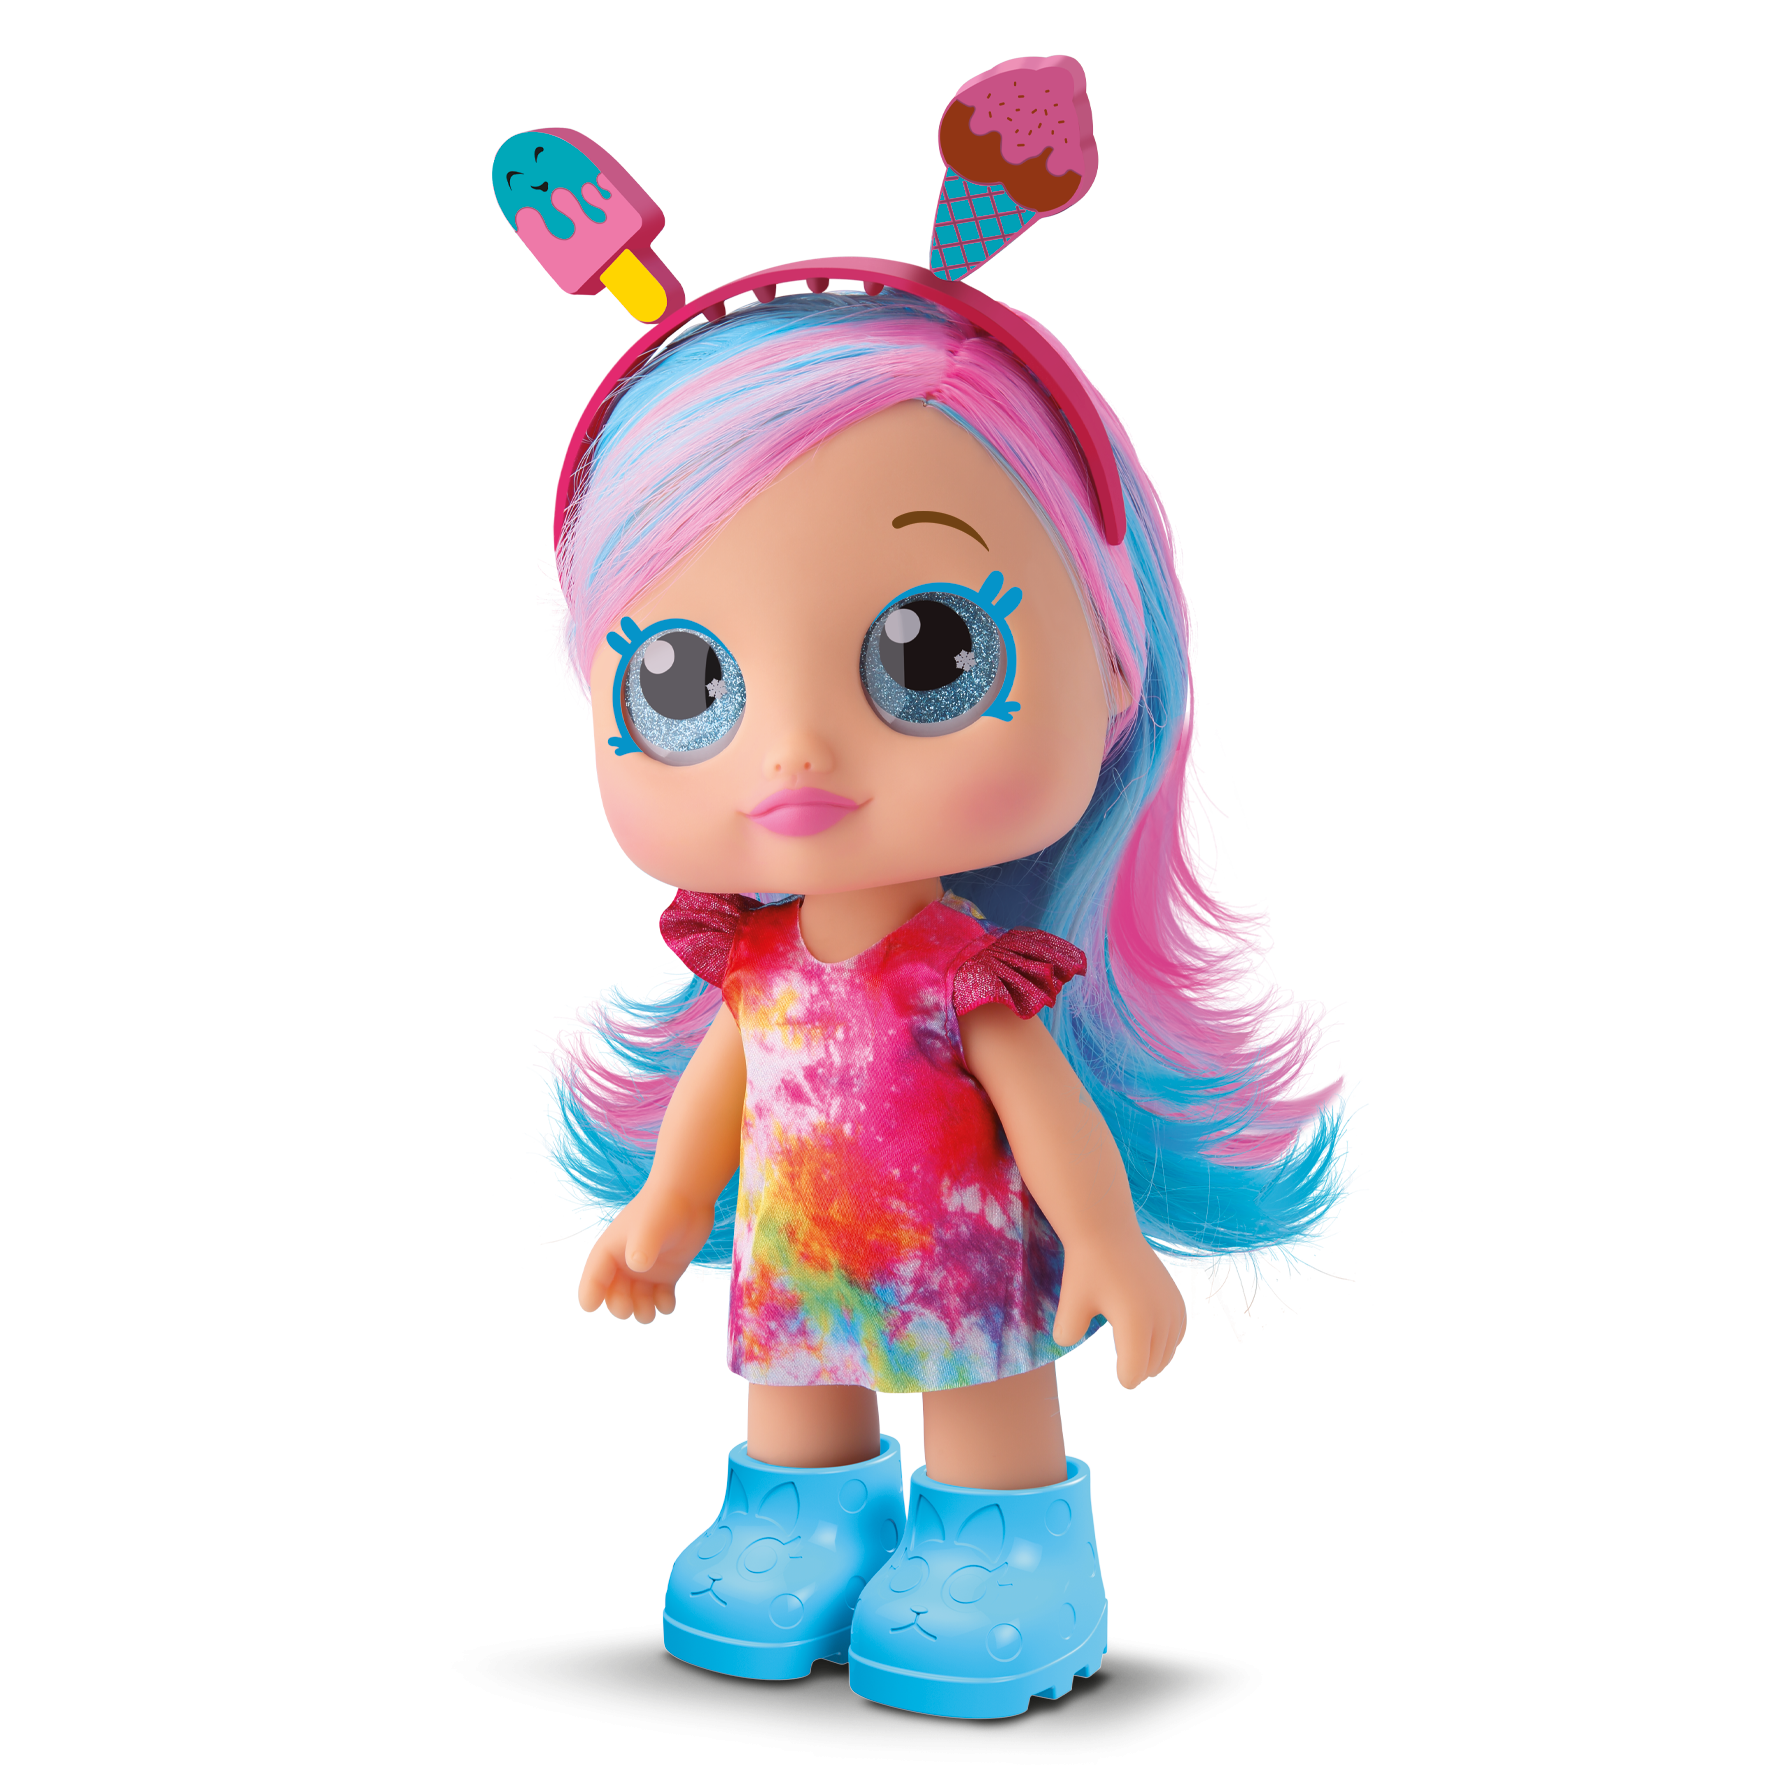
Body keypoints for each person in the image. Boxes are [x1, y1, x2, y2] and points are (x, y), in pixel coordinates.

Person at [532, 289, 1350, 1715]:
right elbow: (719, 1096)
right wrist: (663, 1213)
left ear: (1111, 673)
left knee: (983, 1394)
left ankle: (1009, 1545)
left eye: (929, 654)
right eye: (682, 682)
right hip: (801, 1249)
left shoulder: (961, 967)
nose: (793, 749)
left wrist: (1109, 1245)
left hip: (959, 1252)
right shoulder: (758, 964)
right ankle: (805, 1518)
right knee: (795, 1391)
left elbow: (1045, 1113)